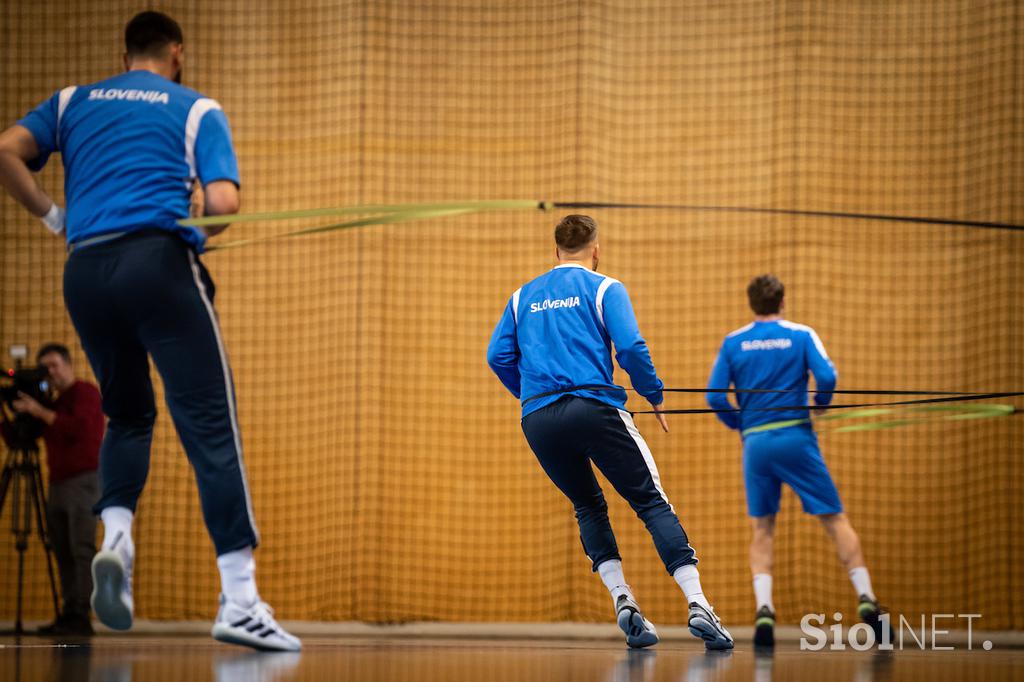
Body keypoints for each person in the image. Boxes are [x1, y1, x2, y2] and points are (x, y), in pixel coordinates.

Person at [0, 11, 300, 651]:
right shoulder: (196, 108)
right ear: (177, 53)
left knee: (128, 414)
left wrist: (55, 217)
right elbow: (221, 204)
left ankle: (117, 537)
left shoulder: (71, 101)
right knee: (210, 425)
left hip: (84, 271)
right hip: (158, 266)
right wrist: (198, 230)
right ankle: (240, 599)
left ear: (126, 51)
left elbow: (5, 149)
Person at [487, 214, 733, 650]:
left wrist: (530, 395)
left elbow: (497, 356)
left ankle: (623, 598)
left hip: (538, 420)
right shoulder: (605, 287)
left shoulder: (521, 296)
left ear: (555, 250)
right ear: (595, 250)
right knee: (651, 502)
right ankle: (698, 603)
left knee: (587, 506)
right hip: (595, 408)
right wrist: (653, 393)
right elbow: (632, 347)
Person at [706, 274, 886, 647]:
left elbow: (714, 396)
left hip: (756, 444)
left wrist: (742, 425)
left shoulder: (733, 341)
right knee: (834, 519)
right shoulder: (802, 334)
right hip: (797, 437)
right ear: (782, 302)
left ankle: (765, 611)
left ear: (752, 304)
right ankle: (866, 598)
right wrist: (819, 405)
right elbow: (827, 375)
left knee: (762, 529)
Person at [1, 343, 104, 636]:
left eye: (54, 365)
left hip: (84, 481)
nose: (50, 373)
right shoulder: (52, 403)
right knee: (62, 550)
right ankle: (68, 612)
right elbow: (19, 437)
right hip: (56, 483)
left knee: (81, 548)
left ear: (69, 365)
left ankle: (81, 615)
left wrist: (38, 410)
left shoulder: (85, 393)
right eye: (44, 368)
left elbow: (80, 429)